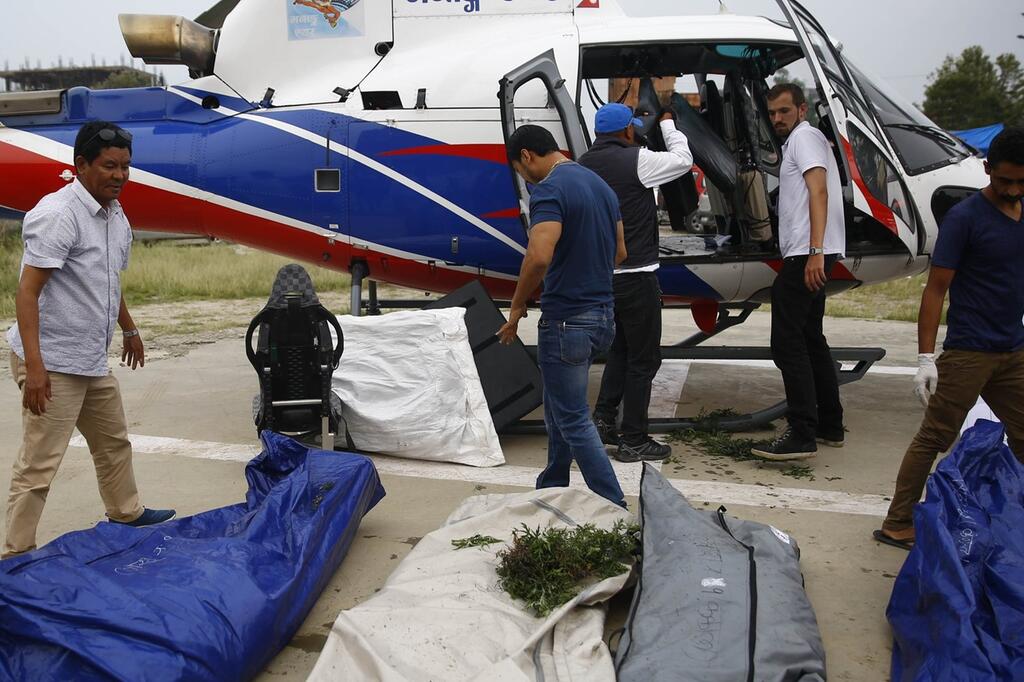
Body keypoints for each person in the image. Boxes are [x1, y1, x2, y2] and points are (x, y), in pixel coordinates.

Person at [3, 121, 175, 559]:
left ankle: (126, 511)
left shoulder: (116, 216)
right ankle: (16, 553)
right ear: (81, 165)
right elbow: (27, 292)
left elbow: (106, 281)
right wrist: (36, 369)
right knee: (40, 463)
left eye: (125, 167)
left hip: (88, 358)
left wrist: (129, 328)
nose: (119, 175)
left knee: (113, 440)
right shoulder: (57, 214)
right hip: (53, 360)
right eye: (108, 166)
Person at [874, 127, 1024, 550]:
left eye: (1020, 181)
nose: (1012, 189)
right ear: (986, 169)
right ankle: (897, 521)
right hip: (969, 351)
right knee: (935, 437)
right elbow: (935, 289)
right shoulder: (965, 219)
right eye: (1003, 180)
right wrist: (925, 358)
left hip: (1013, 350)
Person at [497, 124, 628, 508]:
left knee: (572, 417)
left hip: (567, 319)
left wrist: (517, 306)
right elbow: (620, 252)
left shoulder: (549, 188)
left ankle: (614, 503)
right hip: (603, 315)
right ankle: (552, 481)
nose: (524, 178)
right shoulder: (599, 185)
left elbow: (539, 255)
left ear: (526, 157)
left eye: (521, 172)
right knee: (558, 403)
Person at [579, 102, 693, 463]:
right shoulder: (638, 160)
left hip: (601, 279)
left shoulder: (583, 165)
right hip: (636, 277)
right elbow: (683, 159)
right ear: (628, 131)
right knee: (644, 360)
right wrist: (669, 125)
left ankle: (604, 421)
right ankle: (634, 438)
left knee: (621, 351)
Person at [751, 83, 846, 461]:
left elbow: (818, 191)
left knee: (786, 343)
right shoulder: (802, 140)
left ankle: (802, 431)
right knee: (810, 338)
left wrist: (815, 252)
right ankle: (829, 424)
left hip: (808, 254)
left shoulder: (805, 138)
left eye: (784, 112)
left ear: (802, 110)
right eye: (772, 113)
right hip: (809, 251)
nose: (777, 119)